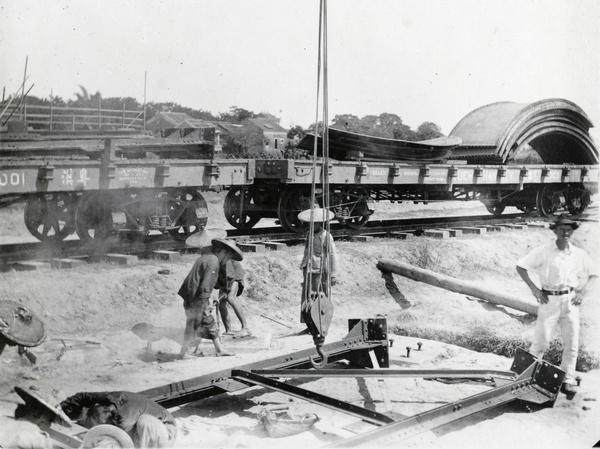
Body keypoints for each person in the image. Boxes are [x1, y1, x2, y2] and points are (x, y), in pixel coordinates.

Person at [516, 214, 598, 397]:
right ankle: (525, 376)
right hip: (549, 300)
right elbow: (521, 266)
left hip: (570, 302)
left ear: (572, 231)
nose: (566, 232)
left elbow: (594, 274)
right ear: (555, 231)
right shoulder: (544, 251)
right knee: (541, 340)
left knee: (572, 343)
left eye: (569, 229)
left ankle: (568, 379)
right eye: (562, 229)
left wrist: (582, 293)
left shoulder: (578, 253)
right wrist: (534, 290)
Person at [178, 234, 244, 358]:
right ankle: (186, 353)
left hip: (192, 295)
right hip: (196, 298)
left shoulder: (207, 257)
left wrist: (208, 299)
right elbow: (205, 285)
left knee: (203, 323)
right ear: (224, 252)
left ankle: (217, 350)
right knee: (197, 323)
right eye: (229, 256)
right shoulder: (213, 262)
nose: (228, 259)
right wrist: (205, 303)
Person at [60, 390, 177, 448]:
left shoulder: (125, 422)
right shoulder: (109, 398)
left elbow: (122, 442)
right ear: (98, 405)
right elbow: (83, 396)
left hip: (165, 431)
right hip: (136, 428)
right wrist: (64, 408)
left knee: (145, 422)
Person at [298, 207, 339, 325]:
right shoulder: (308, 234)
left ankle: (320, 323)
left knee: (319, 297)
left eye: (314, 223)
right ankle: (308, 323)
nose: (311, 226)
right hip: (309, 269)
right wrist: (304, 267)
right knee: (307, 297)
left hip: (320, 270)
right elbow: (306, 251)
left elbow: (332, 255)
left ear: (320, 224)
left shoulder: (327, 236)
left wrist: (333, 275)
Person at [216, 259, 252, 339]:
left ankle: (245, 328)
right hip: (224, 277)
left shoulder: (225, 258)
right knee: (221, 302)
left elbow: (230, 273)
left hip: (234, 275)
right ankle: (228, 330)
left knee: (230, 297)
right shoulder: (210, 259)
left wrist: (227, 289)